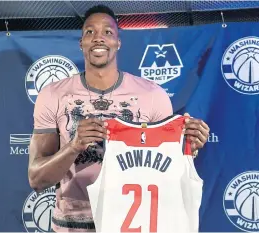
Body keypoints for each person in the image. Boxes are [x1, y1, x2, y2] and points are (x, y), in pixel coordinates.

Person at [28, 4, 210, 232]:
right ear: (81, 43)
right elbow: (37, 179)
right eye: (89, 32)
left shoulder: (152, 95)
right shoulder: (53, 95)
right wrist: (73, 146)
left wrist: (189, 148)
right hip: (73, 225)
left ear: (118, 42)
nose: (98, 38)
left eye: (108, 32)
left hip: (132, 223)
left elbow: (167, 170)